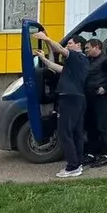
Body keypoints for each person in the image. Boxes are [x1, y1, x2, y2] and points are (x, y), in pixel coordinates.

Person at [36, 32, 90, 178]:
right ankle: (77, 164)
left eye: (70, 43)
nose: (68, 46)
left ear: (78, 45)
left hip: (69, 99)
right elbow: (58, 69)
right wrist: (43, 58)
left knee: (64, 132)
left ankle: (72, 167)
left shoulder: (77, 56)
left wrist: (47, 38)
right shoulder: (79, 62)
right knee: (76, 133)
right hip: (78, 99)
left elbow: (60, 49)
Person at [83, 39, 107, 168]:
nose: (85, 50)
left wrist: (105, 87)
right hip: (90, 98)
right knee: (91, 127)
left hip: (101, 99)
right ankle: (91, 153)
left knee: (103, 127)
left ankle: (106, 155)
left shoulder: (105, 60)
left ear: (96, 47)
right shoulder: (90, 60)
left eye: (87, 48)